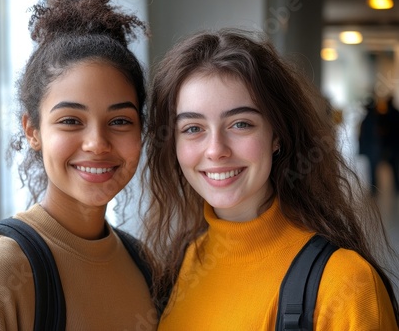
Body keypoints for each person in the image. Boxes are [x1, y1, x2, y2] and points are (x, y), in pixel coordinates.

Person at [142, 28, 399, 329]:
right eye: (192, 128)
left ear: (276, 135)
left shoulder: (345, 284)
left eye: (240, 124)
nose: (215, 150)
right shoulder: (180, 263)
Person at [0, 0, 157, 330]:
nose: (96, 143)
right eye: (70, 120)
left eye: (120, 121)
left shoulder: (143, 265)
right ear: (32, 131)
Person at [358, 95, 382, 196]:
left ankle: (374, 188)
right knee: (373, 167)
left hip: (372, 146)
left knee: (373, 167)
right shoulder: (374, 118)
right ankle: (374, 187)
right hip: (373, 146)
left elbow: (367, 135)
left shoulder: (370, 119)